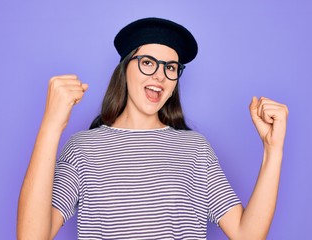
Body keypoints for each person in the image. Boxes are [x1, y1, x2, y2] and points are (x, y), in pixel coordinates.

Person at [17, 17, 289, 239]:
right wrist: (51, 125)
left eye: (171, 67)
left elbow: (247, 235)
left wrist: (272, 149)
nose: (160, 75)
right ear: (125, 69)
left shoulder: (195, 149)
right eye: (148, 62)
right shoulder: (83, 148)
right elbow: (31, 237)